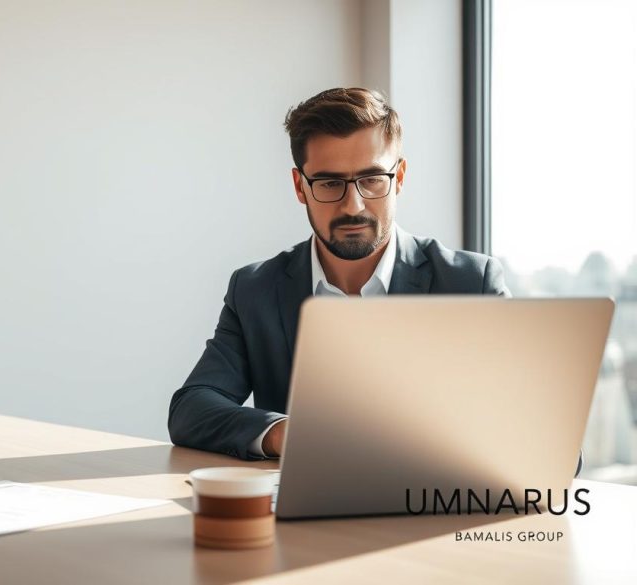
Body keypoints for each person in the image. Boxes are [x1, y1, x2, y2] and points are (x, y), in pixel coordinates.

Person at [167, 87, 512, 461]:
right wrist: (286, 434)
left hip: (437, 508)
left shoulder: (469, 284)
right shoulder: (255, 289)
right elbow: (192, 409)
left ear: (399, 178)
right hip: (305, 512)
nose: (354, 205)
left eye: (372, 179)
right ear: (301, 186)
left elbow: (546, 437)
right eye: (330, 183)